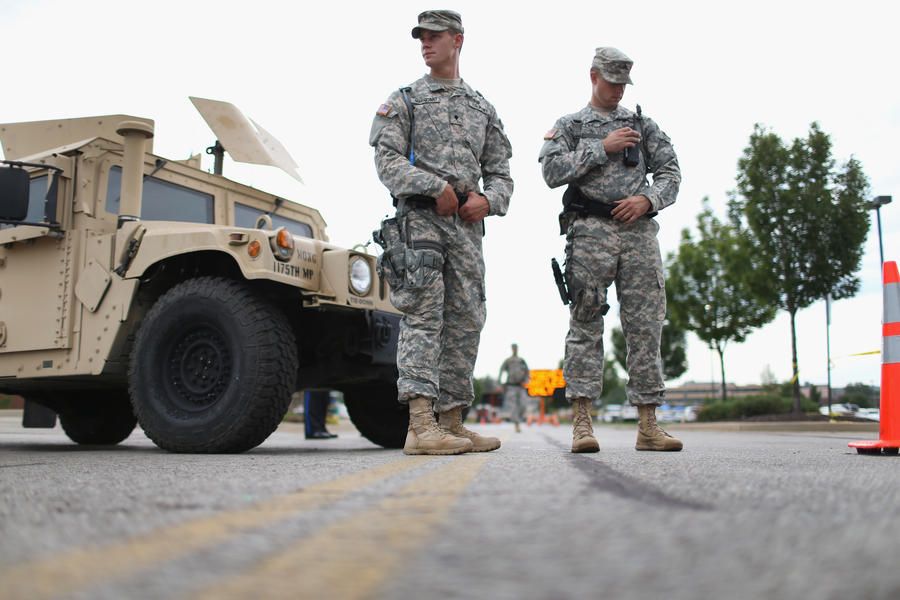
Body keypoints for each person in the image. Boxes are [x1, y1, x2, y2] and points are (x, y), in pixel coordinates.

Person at [369, 10, 513, 455]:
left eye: (434, 37)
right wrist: (436, 187)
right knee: (424, 316)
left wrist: (490, 201)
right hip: (421, 221)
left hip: (468, 228)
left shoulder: (481, 108)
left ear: (458, 41)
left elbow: (502, 171)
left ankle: (452, 421)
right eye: (422, 38)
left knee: (468, 319)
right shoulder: (406, 100)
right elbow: (387, 161)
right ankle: (419, 426)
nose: (425, 44)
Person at [538, 47, 683, 453]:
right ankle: (582, 423)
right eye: (611, 82)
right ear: (593, 77)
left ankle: (649, 424)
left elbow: (672, 173)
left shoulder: (643, 125)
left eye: (623, 84)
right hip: (590, 232)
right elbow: (551, 172)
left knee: (646, 327)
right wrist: (602, 146)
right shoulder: (570, 125)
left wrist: (649, 200)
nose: (618, 91)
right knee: (585, 322)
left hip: (638, 234)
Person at [498, 343, 530, 432]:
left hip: (520, 386)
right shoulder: (508, 361)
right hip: (511, 386)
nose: (514, 349)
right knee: (514, 406)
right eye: (513, 348)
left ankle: (518, 420)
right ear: (511, 349)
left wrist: (526, 381)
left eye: (516, 348)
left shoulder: (521, 360)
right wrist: (500, 383)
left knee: (523, 405)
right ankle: (517, 424)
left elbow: (527, 372)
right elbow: (501, 371)